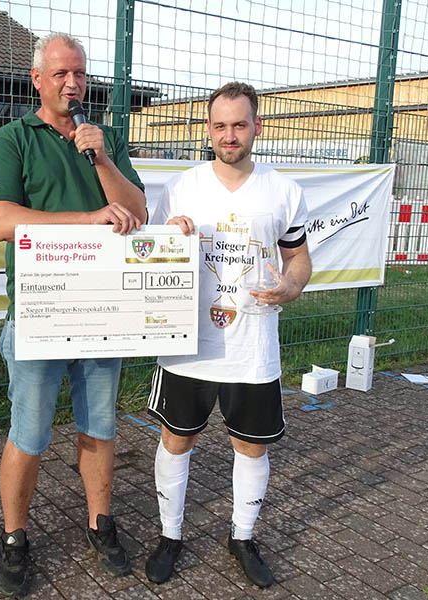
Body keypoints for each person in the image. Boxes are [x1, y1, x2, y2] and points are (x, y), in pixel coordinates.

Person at [0, 33, 147, 596]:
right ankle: (13, 537)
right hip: (39, 311)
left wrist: (100, 157)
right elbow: (2, 220)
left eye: (79, 73)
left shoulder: (104, 140)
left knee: (99, 425)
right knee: (28, 432)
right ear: (37, 79)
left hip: (103, 309)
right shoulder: (12, 139)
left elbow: (138, 212)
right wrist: (91, 218)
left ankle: (102, 525)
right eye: (60, 74)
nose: (72, 83)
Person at [143, 82, 311, 588]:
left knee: (252, 447)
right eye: (220, 125)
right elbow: (150, 251)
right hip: (187, 343)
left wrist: (290, 287)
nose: (229, 135)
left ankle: (242, 537)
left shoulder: (283, 191)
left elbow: (298, 259)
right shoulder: (182, 186)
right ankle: (170, 535)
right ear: (208, 129)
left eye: (240, 124)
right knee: (176, 439)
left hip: (252, 345)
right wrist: (171, 233)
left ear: (257, 126)